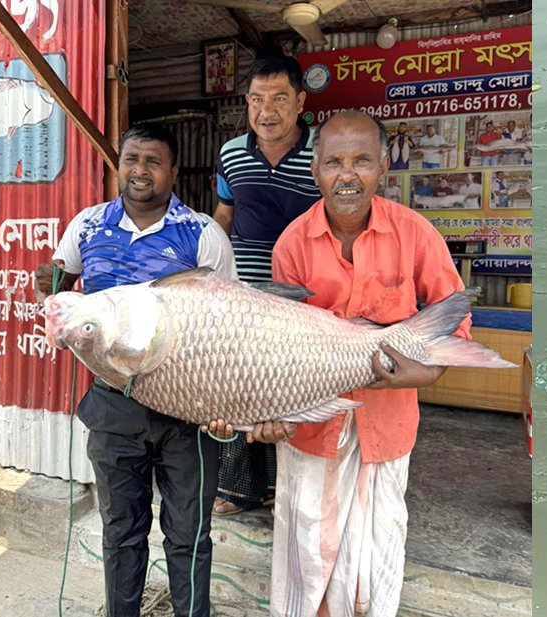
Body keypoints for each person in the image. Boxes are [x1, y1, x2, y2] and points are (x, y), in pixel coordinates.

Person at [229, 109, 469, 617]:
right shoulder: (293, 242)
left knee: (376, 548)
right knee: (307, 546)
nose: (347, 174)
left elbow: (452, 325)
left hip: (388, 423)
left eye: (361, 160)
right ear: (315, 170)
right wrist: (271, 413)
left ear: (384, 167)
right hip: (312, 426)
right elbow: (279, 348)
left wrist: (420, 373)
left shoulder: (415, 234)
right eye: (334, 162)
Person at [34, 123, 236, 617]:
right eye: (131, 159)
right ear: (118, 164)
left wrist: (224, 402)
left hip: (188, 411)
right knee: (120, 532)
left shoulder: (203, 234)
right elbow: (56, 289)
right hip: (113, 405)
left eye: (153, 161)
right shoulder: (87, 226)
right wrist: (51, 293)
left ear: (172, 170)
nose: (139, 170)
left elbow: (229, 324)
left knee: (189, 534)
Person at [212, 53, 321, 516]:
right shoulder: (232, 153)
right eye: (257, 99)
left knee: (293, 389)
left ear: (299, 100)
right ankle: (238, 489)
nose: (267, 111)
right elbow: (223, 216)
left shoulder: (323, 152)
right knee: (241, 386)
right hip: (245, 294)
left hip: (305, 296)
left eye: (279, 98)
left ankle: (285, 488)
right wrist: (214, 280)